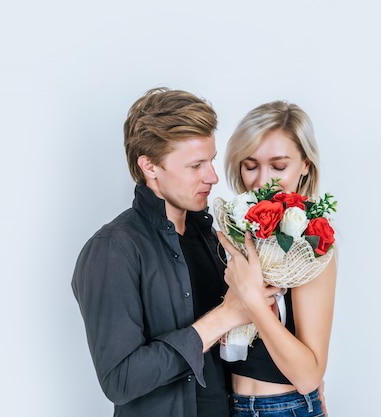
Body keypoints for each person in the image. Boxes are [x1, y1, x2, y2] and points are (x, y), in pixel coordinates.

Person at [71, 87, 279, 417]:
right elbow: (120, 380)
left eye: (210, 161)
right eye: (195, 165)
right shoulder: (112, 250)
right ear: (150, 167)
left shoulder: (212, 238)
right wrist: (226, 315)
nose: (212, 176)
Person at [218, 100, 337, 416]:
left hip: (283, 407)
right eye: (251, 165)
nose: (262, 181)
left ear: (305, 166)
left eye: (279, 166)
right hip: (226, 405)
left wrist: (253, 302)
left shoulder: (311, 243)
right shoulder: (235, 230)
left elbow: (309, 375)